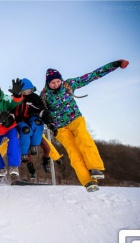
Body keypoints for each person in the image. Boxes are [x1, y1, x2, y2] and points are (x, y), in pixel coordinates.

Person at [40, 59, 129, 192]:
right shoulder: (44, 95)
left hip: (75, 119)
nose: (56, 84)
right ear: (48, 83)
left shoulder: (69, 84)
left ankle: (95, 167)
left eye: (58, 81)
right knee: (74, 153)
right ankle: (88, 181)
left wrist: (115, 64)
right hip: (60, 128)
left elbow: (92, 76)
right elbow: (40, 112)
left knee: (84, 140)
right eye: (53, 82)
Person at [12, 78, 57, 163]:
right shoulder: (15, 99)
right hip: (21, 121)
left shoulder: (34, 97)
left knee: (38, 123)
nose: (27, 93)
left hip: (32, 119)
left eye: (29, 91)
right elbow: (11, 110)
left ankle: (34, 145)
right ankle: (24, 153)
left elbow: (41, 110)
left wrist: (50, 122)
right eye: (24, 91)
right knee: (26, 131)